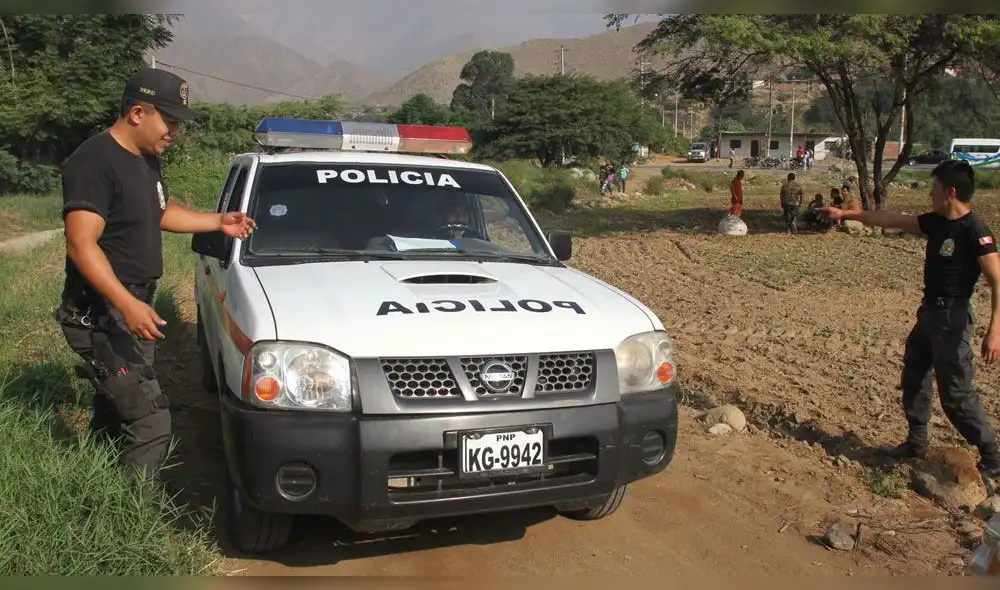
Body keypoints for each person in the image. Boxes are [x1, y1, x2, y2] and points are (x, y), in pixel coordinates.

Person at [55, 67, 256, 480]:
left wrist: (219, 222)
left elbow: (160, 212)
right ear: (137, 113)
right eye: (170, 120)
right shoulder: (94, 161)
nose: (175, 131)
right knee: (150, 423)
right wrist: (127, 304)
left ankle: (96, 483)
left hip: (130, 308)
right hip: (102, 314)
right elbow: (81, 243)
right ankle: (129, 519)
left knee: (117, 409)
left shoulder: (144, 160)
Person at [818, 160, 1000, 479]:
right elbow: (892, 219)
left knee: (955, 392)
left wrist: (995, 331)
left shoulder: (975, 231)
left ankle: (993, 456)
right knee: (914, 373)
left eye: (935, 188)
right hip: (929, 313)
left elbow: (998, 279)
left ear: (951, 192)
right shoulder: (937, 222)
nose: (930, 193)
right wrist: (845, 214)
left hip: (953, 318)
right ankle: (916, 443)